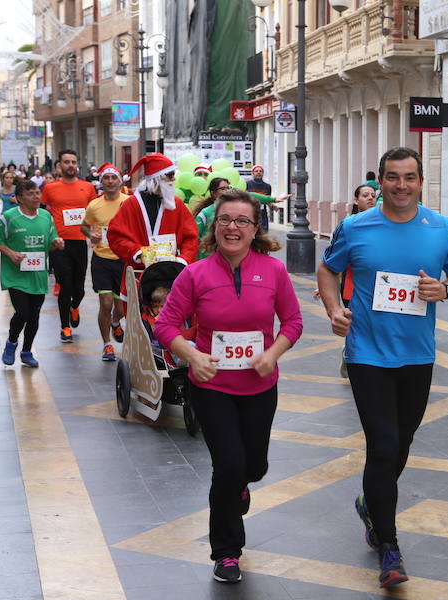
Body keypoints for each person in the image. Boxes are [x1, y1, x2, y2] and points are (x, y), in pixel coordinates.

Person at [317, 147, 448, 588]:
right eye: (392, 177)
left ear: (420, 183)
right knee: (383, 447)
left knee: (400, 446)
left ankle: (370, 502)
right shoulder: (355, 226)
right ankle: (388, 544)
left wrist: (442, 289)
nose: (401, 185)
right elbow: (327, 271)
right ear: (380, 181)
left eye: (409, 177)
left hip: (418, 356)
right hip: (367, 355)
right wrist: (335, 309)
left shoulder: (441, 228)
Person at [154, 189, 302, 584]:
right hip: (212, 386)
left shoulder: (273, 271)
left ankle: (240, 487)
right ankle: (226, 551)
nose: (232, 228)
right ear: (214, 226)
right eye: (225, 220)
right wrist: (193, 356)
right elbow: (165, 325)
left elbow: (292, 322)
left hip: (260, 384)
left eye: (242, 221)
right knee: (229, 465)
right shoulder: (194, 274)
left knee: (254, 465)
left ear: (256, 229)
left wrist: (273, 352)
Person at [0, 179, 64, 367]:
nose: (36, 196)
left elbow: (51, 240)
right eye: (31, 193)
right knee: (22, 312)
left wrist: (57, 243)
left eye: (37, 192)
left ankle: (26, 351)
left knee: (34, 315)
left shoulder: (46, 216)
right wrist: (10, 253)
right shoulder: (9, 216)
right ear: (20, 198)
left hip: (38, 275)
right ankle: (11, 342)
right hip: (15, 275)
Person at [107, 153, 199, 272]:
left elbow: (191, 237)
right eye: (170, 175)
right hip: (139, 273)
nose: (174, 179)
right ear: (157, 178)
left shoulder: (177, 204)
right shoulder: (132, 204)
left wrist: (183, 259)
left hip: (172, 273)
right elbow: (115, 236)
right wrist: (137, 252)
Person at [41, 149, 97, 343]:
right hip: (59, 244)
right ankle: (65, 326)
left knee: (79, 288)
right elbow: (43, 212)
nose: (70, 165)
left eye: (73, 162)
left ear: (77, 165)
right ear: (60, 165)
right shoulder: (50, 188)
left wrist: (94, 234)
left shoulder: (88, 187)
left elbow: (94, 212)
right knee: (65, 285)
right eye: (66, 162)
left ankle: (75, 307)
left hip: (80, 242)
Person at [81, 163, 130, 361]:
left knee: (120, 308)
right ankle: (107, 345)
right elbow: (84, 226)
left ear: (120, 181)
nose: (110, 182)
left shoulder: (129, 203)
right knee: (106, 303)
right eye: (106, 178)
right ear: (101, 182)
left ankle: (116, 323)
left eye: (113, 178)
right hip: (101, 259)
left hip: (122, 260)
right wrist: (90, 234)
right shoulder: (94, 205)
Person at [336, 184, 377, 377]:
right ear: (356, 200)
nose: (370, 198)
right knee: (355, 326)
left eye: (373, 195)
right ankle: (350, 354)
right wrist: (328, 284)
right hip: (352, 286)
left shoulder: (382, 224)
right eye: (365, 195)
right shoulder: (348, 225)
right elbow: (334, 261)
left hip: (378, 286)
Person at [194, 178, 231, 260]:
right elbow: (195, 238)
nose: (227, 191)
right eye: (223, 189)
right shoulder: (205, 213)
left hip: (227, 259)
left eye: (228, 188)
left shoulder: (234, 211)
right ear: (213, 193)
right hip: (207, 259)